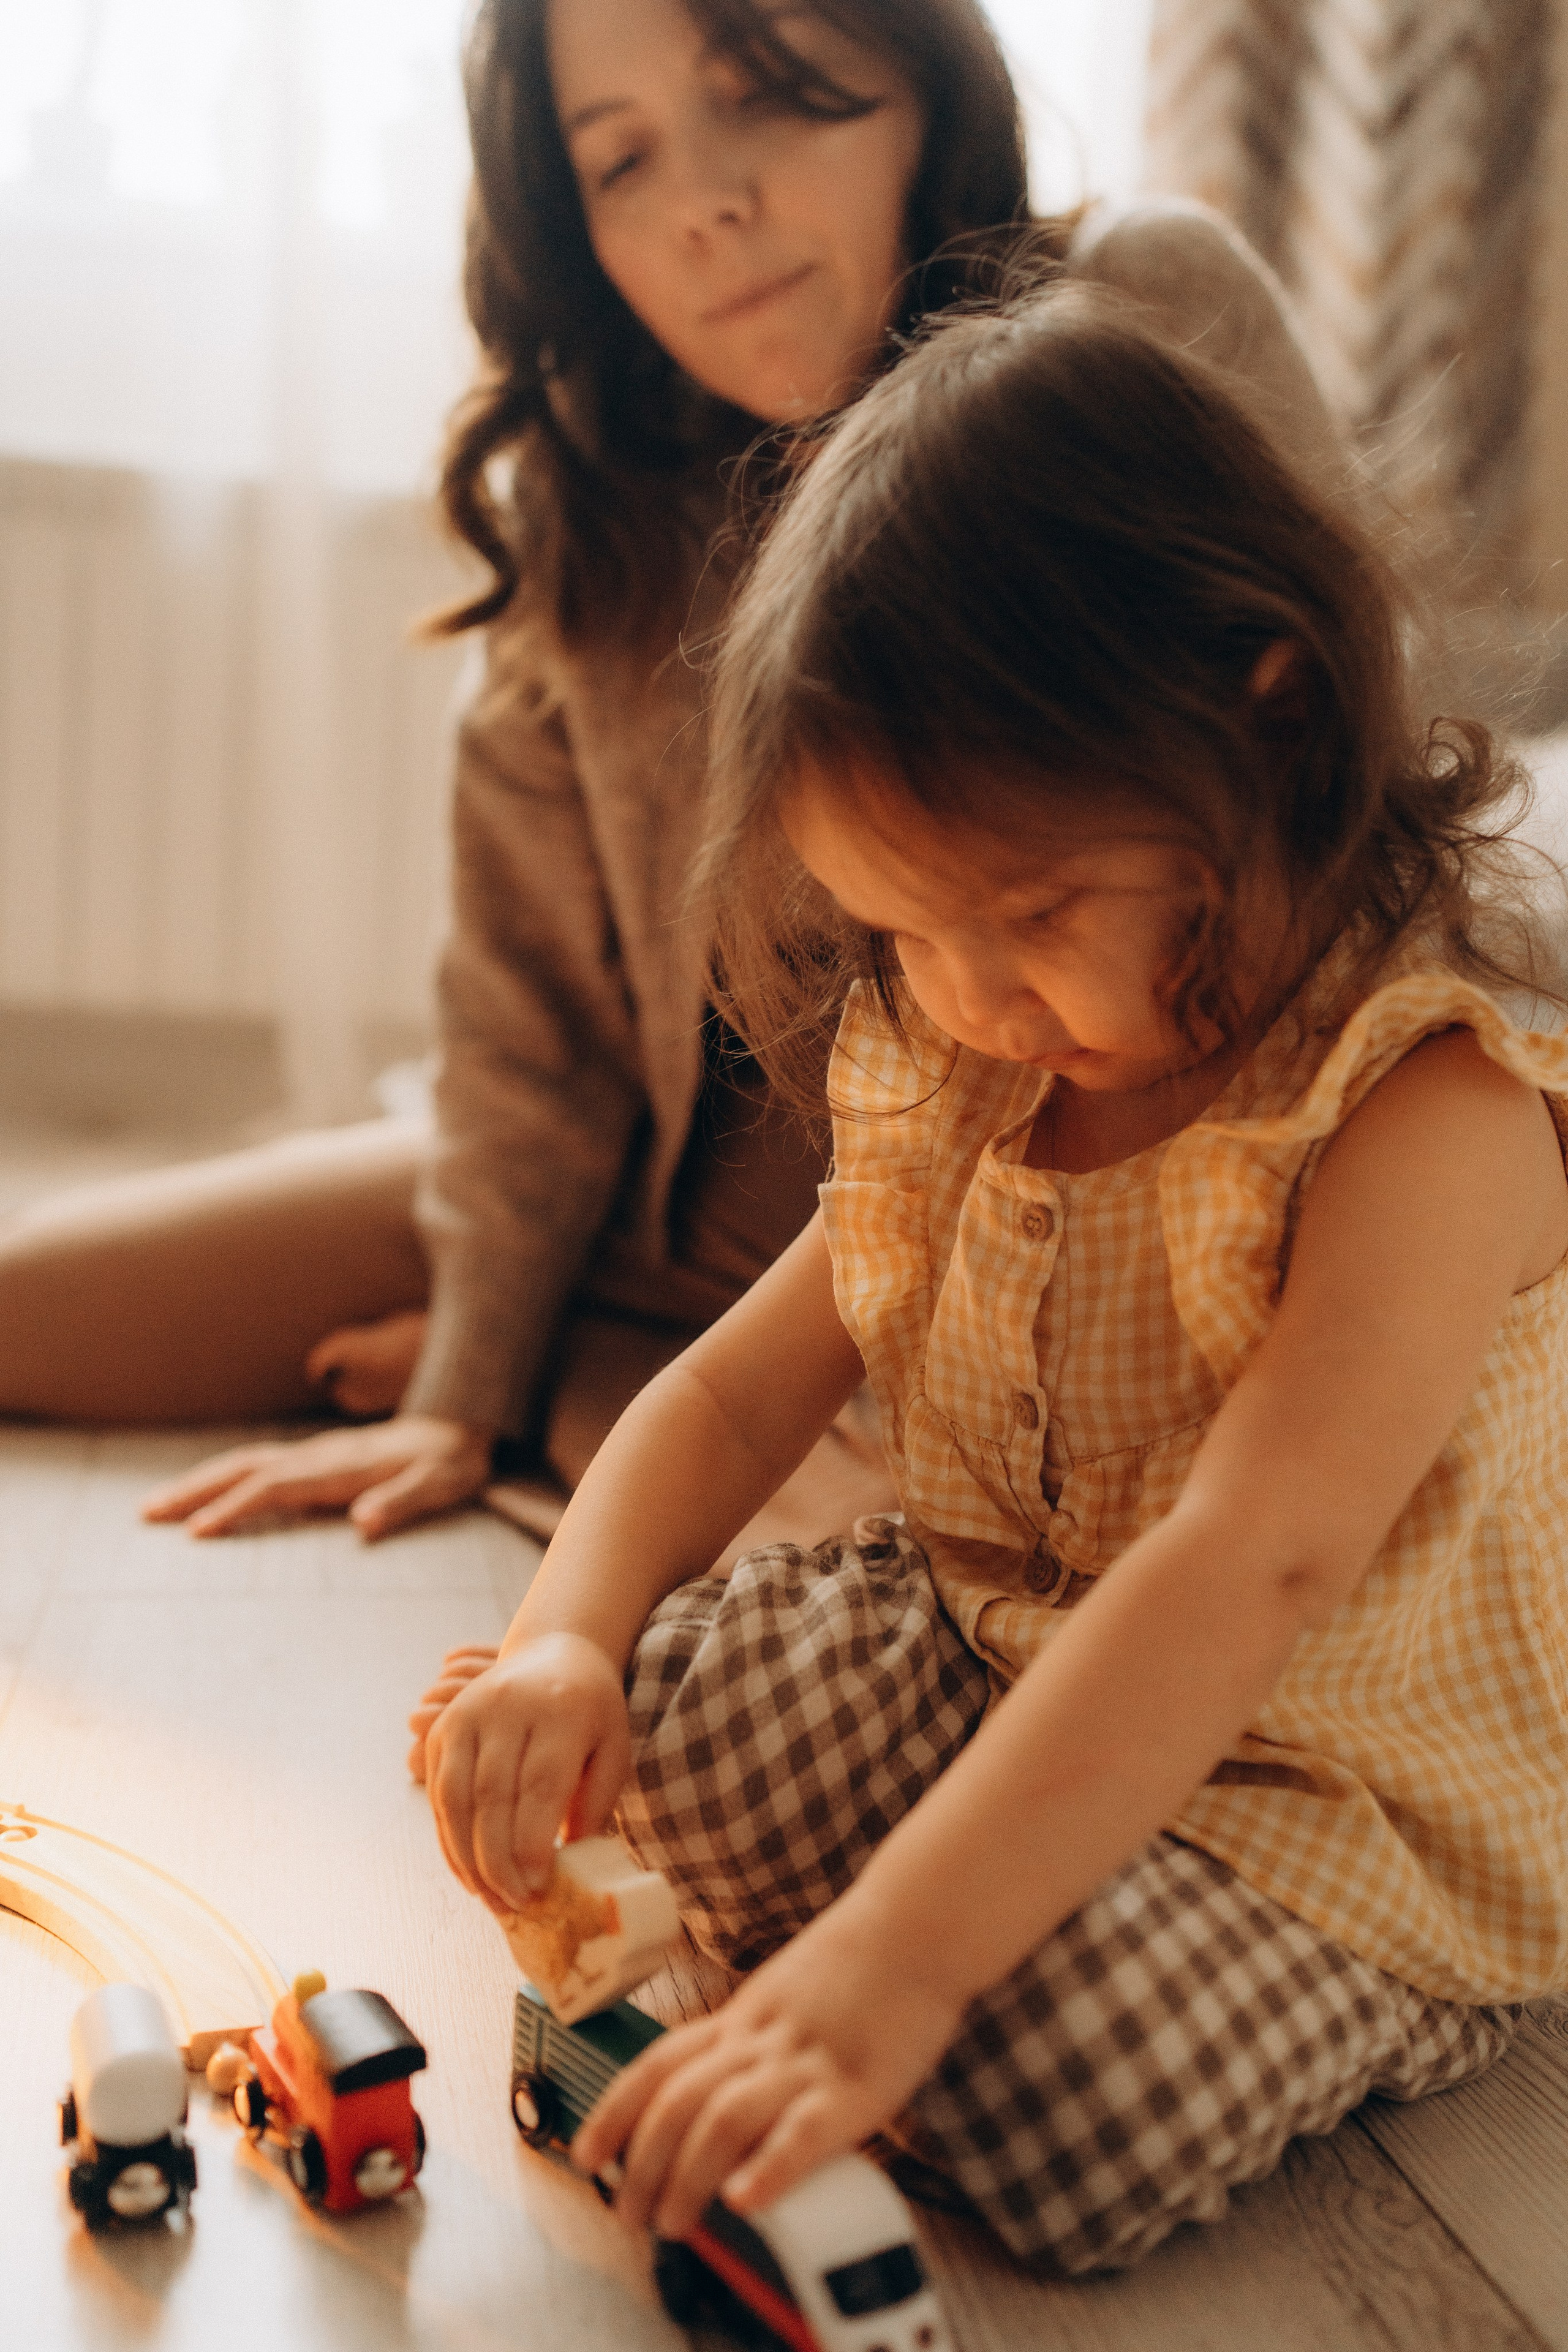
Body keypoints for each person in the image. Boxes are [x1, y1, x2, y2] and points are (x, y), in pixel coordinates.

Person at [418, 284, 1568, 2276]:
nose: (968, 994)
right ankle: (965, 1869)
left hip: (1328, 1784)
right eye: (907, 928)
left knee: (1058, 2099)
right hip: (1003, 1649)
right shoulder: (973, 1046)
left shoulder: (1422, 1106)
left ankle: (1407, 1990)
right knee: (650, 1734)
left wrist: (888, 1969)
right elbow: (721, 1398)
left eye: (1029, 915)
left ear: (1270, 718)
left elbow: (1249, 1567)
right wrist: (566, 1638)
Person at [0, 0, 1333, 1553]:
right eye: (620, 161)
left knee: (896, 1569)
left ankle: (582, 1390)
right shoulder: (588, 490)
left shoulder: (1136, 312)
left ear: (921, 80)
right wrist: (456, 1386)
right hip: (633, 1209)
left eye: (767, 95)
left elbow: (1332, 793)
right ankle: (551, 1370)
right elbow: (529, 1026)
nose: (707, 202)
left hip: (970, 1246)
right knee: (32, 1307)